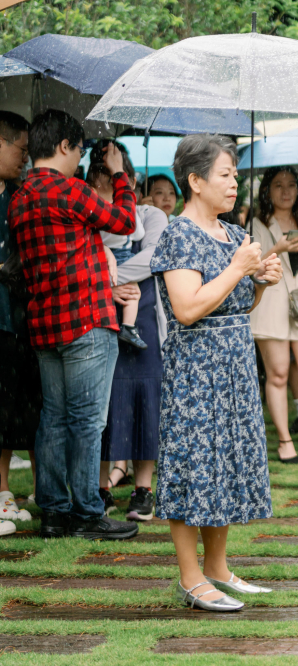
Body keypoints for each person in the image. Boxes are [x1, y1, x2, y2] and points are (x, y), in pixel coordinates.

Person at [151, 134, 282, 612]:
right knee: (193, 465)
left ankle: (218, 568)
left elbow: (236, 306)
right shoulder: (178, 233)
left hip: (235, 362)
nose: (234, 183)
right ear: (195, 180)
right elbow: (186, 309)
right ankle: (190, 577)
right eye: (225, 175)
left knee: (224, 461)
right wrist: (238, 268)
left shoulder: (231, 233)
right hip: (196, 368)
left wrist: (260, 280)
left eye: (234, 175)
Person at [10, 109, 139, 541]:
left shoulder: (20, 195)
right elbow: (124, 222)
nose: (79, 157)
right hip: (86, 320)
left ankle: (54, 512)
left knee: (53, 419)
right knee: (86, 421)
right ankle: (87, 512)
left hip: (45, 325)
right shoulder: (69, 190)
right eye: (79, 149)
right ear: (65, 147)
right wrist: (119, 175)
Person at [88, 141, 169, 522]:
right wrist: (109, 286)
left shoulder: (152, 216)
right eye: (99, 181)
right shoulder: (87, 217)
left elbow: (154, 258)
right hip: (101, 316)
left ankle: (143, 489)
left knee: (146, 401)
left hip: (146, 318)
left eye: (115, 179)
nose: (106, 190)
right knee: (105, 401)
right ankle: (100, 487)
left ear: (131, 182)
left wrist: (110, 278)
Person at [250, 166, 298, 464]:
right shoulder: (257, 222)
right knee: (278, 373)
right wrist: (278, 247)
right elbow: (253, 267)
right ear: (267, 190)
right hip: (271, 304)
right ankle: (285, 440)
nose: (285, 191)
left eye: (292, 185)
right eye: (278, 185)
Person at [0, 111, 35, 532]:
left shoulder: (17, 194)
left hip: (13, 318)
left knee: (7, 412)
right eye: (20, 150)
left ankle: (4, 492)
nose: (25, 158)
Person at [88, 141, 147, 350]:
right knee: (133, 292)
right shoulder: (122, 212)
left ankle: (119, 324)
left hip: (98, 261)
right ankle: (129, 327)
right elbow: (138, 232)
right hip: (122, 254)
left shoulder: (93, 211)